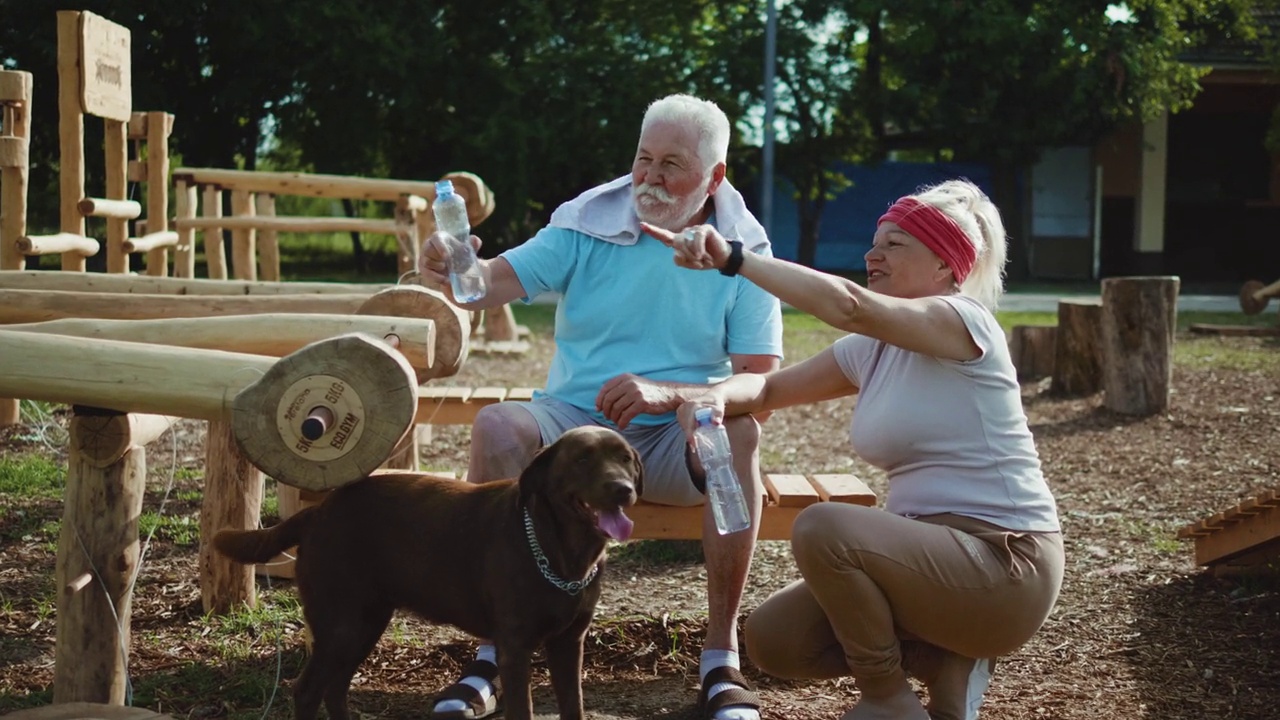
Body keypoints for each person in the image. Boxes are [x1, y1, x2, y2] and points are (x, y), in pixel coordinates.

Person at [417, 94, 783, 720]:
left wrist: (676, 395)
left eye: (672, 163)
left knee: (739, 438)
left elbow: (760, 383)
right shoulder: (589, 221)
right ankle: (491, 656)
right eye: (644, 158)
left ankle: (721, 661)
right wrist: (451, 268)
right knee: (499, 424)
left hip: (678, 434)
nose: (650, 176)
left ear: (714, 178)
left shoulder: (743, 250)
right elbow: (487, 285)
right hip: (576, 429)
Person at [644, 179, 1064, 720]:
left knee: (824, 527)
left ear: (944, 266)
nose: (873, 253)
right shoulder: (875, 347)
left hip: (1005, 566)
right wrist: (715, 397)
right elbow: (771, 389)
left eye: (895, 243)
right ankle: (944, 662)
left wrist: (733, 258)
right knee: (775, 639)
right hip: (933, 565)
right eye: (874, 241)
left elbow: (849, 305)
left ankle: (887, 697)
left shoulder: (963, 320)